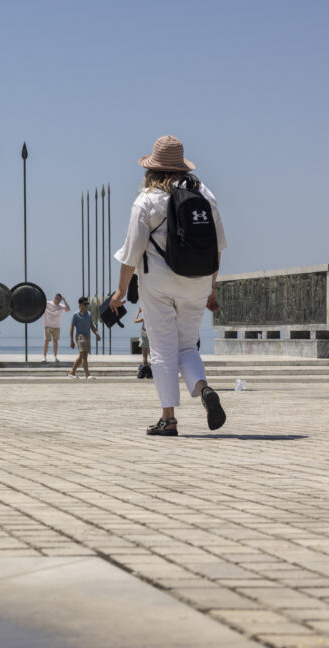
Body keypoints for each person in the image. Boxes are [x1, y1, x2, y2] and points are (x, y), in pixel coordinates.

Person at [109, 135, 228, 436]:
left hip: (159, 285)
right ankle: (203, 389)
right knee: (187, 345)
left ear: (153, 169)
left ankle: (168, 418)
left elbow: (131, 253)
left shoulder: (147, 200)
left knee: (162, 350)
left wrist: (120, 292)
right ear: (182, 168)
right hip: (198, 282)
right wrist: (210, 288)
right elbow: (217, 248)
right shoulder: (205, 194)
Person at [68, 297, 100, 379]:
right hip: (80, 336)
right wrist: (71, 340)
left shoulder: (89, 314)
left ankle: (72, 372)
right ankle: (87, 375)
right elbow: (71, 327)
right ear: (80, 304)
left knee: (82, 355)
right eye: (85, 304)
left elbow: (91, 325)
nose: (86, 305)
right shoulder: (75, 315)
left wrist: (96, 334)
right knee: (84, 355)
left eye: (87, 304)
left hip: (87, 336)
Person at [41, 293, 70, 363]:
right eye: (56, 298)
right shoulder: (48, 303)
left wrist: (64, 300)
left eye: (59, 299)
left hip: (56, 326)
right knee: (46, 341)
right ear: (54, 297)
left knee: (55, 341)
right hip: (47, 325)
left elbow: (68, 309)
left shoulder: (61, 306)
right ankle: (44, 357)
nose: (57, 300)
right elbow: (40, 304)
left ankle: (55, 357)